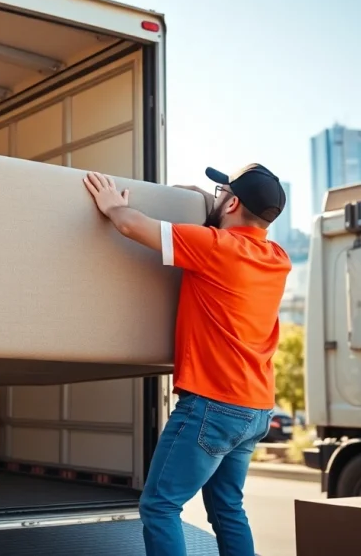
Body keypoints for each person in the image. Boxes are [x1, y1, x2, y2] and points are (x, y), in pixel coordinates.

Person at [82, 164, 291, 556]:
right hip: (256, 408)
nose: (215, 198)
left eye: (221, 193)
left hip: (213, 405)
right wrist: (202, 194)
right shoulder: (277, 257)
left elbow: (131, 226)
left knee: (160, 506)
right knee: (228, 509)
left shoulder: (215, 247)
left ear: (231, 204)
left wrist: (112, 206)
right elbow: (230, 216)